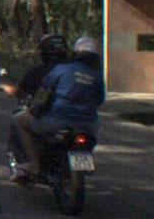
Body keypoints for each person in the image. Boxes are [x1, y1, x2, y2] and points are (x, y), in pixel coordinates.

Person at [9, 34, 105, 182]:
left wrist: (35, 107)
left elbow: (44, 89)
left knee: (19, 120)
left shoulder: (62, 69)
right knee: (96, 125)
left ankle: (34, 164)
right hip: (88, 124)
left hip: (57, 119)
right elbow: (99, 100)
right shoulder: (97, 76)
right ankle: (84, 161)